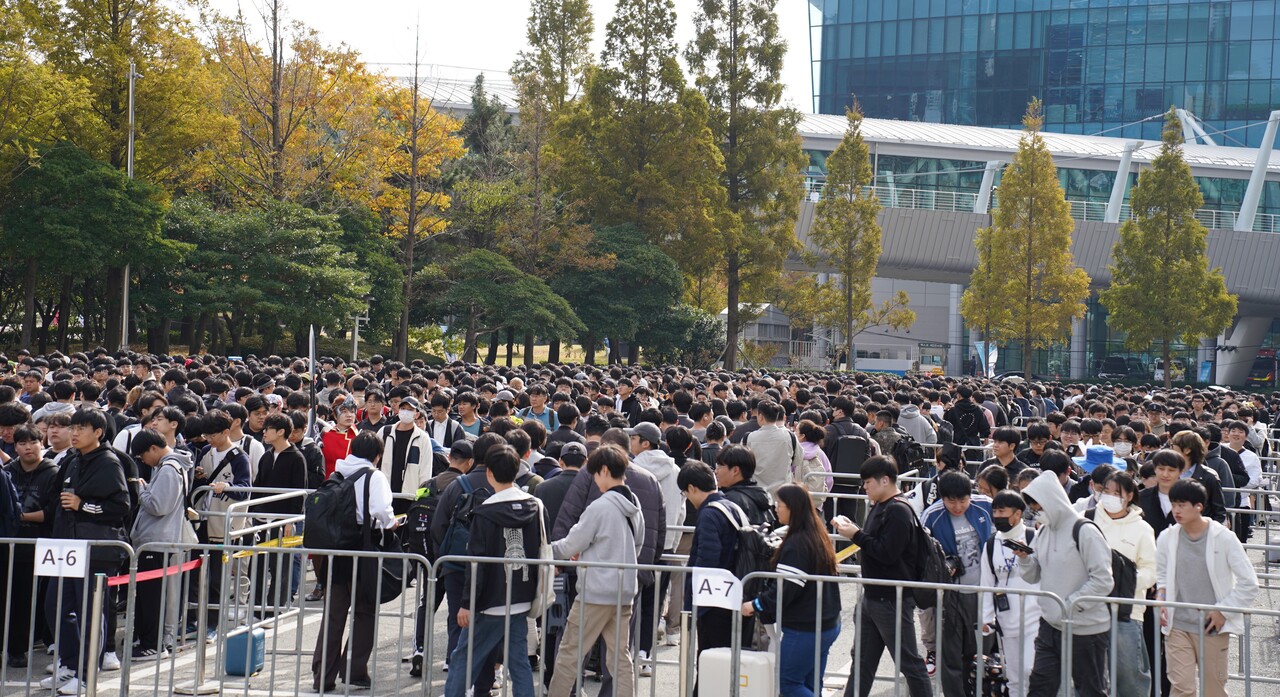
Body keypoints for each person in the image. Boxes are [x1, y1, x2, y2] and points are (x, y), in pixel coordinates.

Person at [444, 444, 545, 697]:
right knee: (519, 662)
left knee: (463, 660)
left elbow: (475, 561)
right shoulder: (535, 505)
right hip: (522, 597)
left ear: (489, 473)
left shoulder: (485, 510)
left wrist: (467, 603)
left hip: (489, 601)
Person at [43, 408, 130, 695]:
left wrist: (83, 505)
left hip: (95, 550)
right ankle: (68, 664)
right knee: (56, 606)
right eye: (73, 427)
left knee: (89, 612)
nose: (75, 432)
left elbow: (120, 507)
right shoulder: (73, 460)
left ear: (99, 432)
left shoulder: (108, 462)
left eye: (82, 428)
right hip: (66, 546)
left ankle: (85, 674)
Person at [831, 455, 933, 697]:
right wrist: (855, 532)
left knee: (909, 663)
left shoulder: (898, 510)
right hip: (874, 596)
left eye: (868, 482)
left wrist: (855, 534)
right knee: (863, 662)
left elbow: (886, 553)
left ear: (885, 480)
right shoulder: (881, 506)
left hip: (891, 599)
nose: (864, 487)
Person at [547, 445, 644, 697]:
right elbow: (638, 544)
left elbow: (571, 544)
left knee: (569, 652)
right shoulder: (634, 506)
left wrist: (545, 550)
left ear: (603, 470)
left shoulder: (599, 507)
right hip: (624, 590)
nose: (593, 479)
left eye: (594, 474)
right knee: (620, 658)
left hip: (595, 592)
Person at [1013, 467, 1113, 697]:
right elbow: (1032, 576)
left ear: (1052, 500)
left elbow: (1103, 580)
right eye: (1032, 507)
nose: (1035, 512)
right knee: (1039, 688)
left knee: (1090, 691)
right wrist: (1025, 559)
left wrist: (1070, 604)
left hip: (1086, 629)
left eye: (1038, 506)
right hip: (1050, 625)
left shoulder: (1085, 531)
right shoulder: (1044, 532)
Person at [312, 431, 398, 693]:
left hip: (335, 553)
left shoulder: (337, 473)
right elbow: (382, 511)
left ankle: (322, 677)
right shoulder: (374, 476)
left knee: (334, 615)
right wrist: (393, 523)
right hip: (364, 550)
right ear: (376, 455)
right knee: (364, 612)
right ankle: (354, 671)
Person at [1156, 478, 1258, 697]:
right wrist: (1161, 597)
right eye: (1173, 504)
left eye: (1182, 505)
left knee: (1213, 689)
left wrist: (1224, 610)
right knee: (1182, 688)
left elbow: (1249, 582)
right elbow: (1162, 574)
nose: (1176, 510)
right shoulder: (1167, 537)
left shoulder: (1224, 538)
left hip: (1211, 625)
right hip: (1177, 625)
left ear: (1199, 506)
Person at [740, 484, 841, 697]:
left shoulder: (797, 544)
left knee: (788, 683)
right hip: (825, 622)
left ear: (793, 508)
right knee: (811, 684)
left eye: (780, 504)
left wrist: (755, 604)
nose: (776, 508)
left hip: (805, 627)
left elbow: (785, 589)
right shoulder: (816, 535)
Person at [678, 461, 753, 695]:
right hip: (734, 594)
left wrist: (693, 603)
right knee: (723, 661)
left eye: (684, 493)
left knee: (710, 658)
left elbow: (707, 558)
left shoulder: (710, 513)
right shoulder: (731, 506)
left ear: (691, 488)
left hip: (714, 600)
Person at [920, 470, 993, 696]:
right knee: (950, 653)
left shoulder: (986, 506)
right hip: (950, 595)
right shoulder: (931, 516)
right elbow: (922, 554)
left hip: (985, 593)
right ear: (942, 497)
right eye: (951, 500)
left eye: (962, 500)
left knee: (984, 651)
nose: (958, 506)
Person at [1085, 470, 1155, 697]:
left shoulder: (1143, 528)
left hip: (1127, 610)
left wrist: (1124, 583)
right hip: (1089, 608)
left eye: (1117, 492)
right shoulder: (1086, 519)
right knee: (1089, 675)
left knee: (1129, 675)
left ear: (1131, 495)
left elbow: (1151, 570)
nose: (1110, 496)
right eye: (1106, 491)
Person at [129, 428, 195, 661]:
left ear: (153, 449)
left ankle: (152, 645)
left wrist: (142, 490)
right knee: (151, 595)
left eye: (142, 456)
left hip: (157, 540)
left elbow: (159, 506)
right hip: (158, 539)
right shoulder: (172, 466)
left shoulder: (168, 469)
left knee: (151, 596)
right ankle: (149, 641)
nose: (143, 461)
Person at [5, 425, 59, 667]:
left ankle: (19, 648)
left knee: (28, 599)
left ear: (42, 443)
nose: (28, 447)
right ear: (15, 447)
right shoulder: (7, 472)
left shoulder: (54, 473)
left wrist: (22, 517)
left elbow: (54, 511)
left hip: (40, 545)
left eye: (33, 442)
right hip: (8, 545)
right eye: (22, 443)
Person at [978, 490, 1040, 697]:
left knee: (1031, 671)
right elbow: (986, 583)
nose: (997, 516)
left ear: (1018, 514)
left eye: (1002, 511)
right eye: (994, 511)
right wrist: (986, 617)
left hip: (1035, 617)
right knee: (1013, 677)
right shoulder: (991, 544)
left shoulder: (1034, 537)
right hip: (1006, 620)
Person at [250, 413, 308, 614]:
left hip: (283, 520)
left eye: (268, 428)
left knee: (280, 566)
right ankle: (256, 607)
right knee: (257, 564)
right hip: (261, 519)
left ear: (281, 431)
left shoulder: (297, 458)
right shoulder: (266, 456)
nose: (264, 432)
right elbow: (258, 486)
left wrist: (290, 521)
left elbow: (298, 493)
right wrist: (252, 512)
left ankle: (275, 607)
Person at [744, 401, 803, 495]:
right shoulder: (790, 436)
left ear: (761, 416)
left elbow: (743, 464)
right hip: (784, 492)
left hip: (757, 492)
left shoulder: (749, 438)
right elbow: (798, 461)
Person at [714, 445, 774, 527]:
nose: (716, 471)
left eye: (719, 466)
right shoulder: (761, 495)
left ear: (735, 470)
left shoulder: (730, 500)